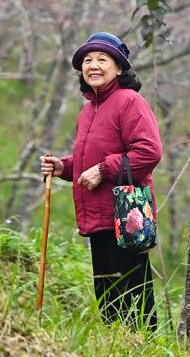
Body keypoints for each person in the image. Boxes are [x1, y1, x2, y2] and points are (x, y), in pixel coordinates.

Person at [40, 31, 162, 329]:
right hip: (99, 216)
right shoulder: (89, 109)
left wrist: (104, 169)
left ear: (119, 68)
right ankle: (116, 353)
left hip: (126, 216)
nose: (93, 65)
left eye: (102, 59)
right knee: (108, 295)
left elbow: (149, 152)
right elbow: (88, 161)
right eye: (87, 60)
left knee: (133, 296)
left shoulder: (129, 101)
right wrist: (64, 168)